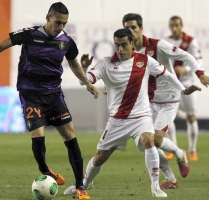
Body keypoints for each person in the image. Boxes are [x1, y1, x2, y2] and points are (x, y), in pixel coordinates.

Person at [0, 2, 98, 200]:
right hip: (31, 95)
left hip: (54, 95)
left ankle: (80, 187)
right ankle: (45, 170)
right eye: (58, 22)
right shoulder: (29, 34)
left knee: (70, 136)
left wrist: (87, 83)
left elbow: (74, 64)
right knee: (37, 135)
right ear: (48, 17)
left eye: (64, 24)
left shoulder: (66, 41)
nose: (61, 27)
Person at [65, 29, 201, 198]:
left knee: (149, 140)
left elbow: (167, 75)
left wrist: (183, 90)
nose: (120, 49)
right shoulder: (105, 63)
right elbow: (84, 80)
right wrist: (84, 67)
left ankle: (155, 186)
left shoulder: (144, 60)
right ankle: (84, 184)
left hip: (141, 117)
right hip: (117, 121)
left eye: (123, 45)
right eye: (117, 45)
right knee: (100, 157)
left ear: (132, 44)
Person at [121, 13, 209, 189]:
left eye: (133, 27)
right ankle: (171, 179)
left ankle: (179, 153)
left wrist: (200, 74)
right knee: (144, 143)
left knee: (155, 139)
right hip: (147, 101)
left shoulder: (158, 45)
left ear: (141, 29)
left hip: (169, 98)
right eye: (127, 28)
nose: (130, 31)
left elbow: (186, 56)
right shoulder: (127, 51)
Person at [166, 15, 203, 161]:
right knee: (168, 117)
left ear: (181, 26)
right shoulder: (166, 41)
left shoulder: (191, 41)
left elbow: (198, 60)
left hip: (187, 82)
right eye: (172, 25)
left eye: (177, 25)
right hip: (171, 83)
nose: (174, 28)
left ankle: (193, 149)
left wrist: (186, 69)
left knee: (191, 115)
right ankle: (173, 148)